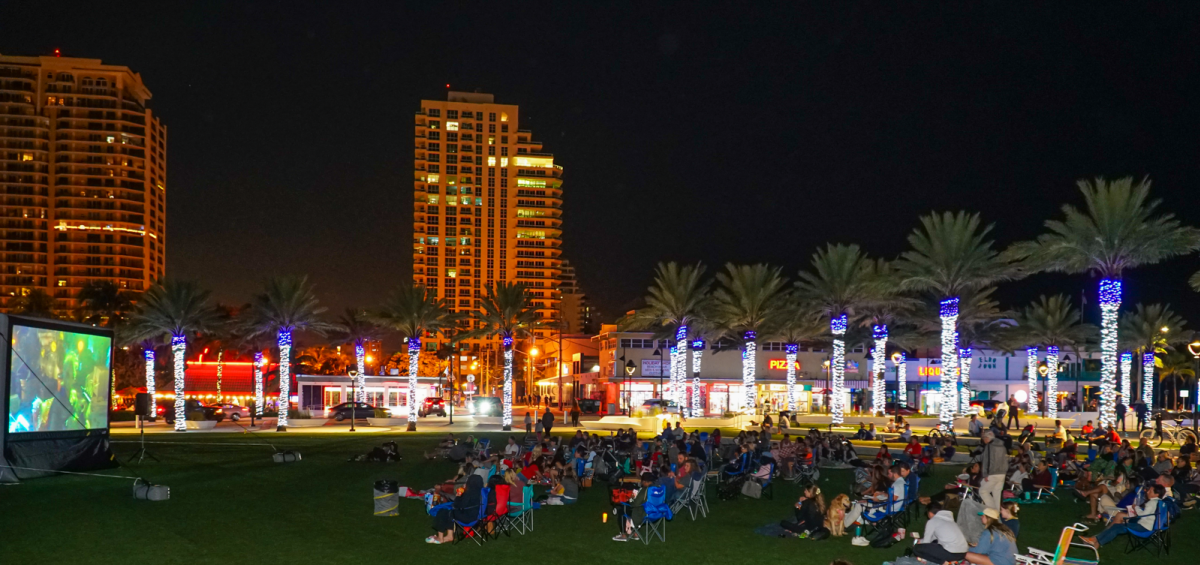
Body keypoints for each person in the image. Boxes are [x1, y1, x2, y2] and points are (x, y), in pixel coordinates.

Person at [1079, 484, 1164, 549]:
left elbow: (1142, 514)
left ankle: (1096, 541)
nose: (1148, 491)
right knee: (1117, 526)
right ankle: (1095, 541)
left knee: (1117, 528)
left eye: (1150, 491)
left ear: (1156, 494)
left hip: (1144, 527)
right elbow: (1149, 514)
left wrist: (1136, 507)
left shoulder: (1151, 503)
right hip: (1148, 526)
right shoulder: (1160, 502)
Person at [428, 474, 483, 544]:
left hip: (468, 518)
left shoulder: (469, 493)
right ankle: (449, 536)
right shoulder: (480, 492)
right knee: (449, 512)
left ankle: (440, 538)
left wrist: (459, 496)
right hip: (476, 516)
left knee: (443, 511)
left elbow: (457, 505)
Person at [613, 472, 655, 542]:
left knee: (623, 509)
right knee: (632, 509)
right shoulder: (658, 488)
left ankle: (623, 535)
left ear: (644, 481)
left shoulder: (644, 490)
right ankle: (635, 533)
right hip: (655, 513)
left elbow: (635, 504)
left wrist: (631, 498)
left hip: (643, 514)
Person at [980, 430, 1009, 510]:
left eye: (983, 438)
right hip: (1002, 473)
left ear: (987, 438)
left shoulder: (989, 446)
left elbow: (988, 461)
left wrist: (986, 474)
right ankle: (997, 514)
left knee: (983, 491)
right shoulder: (1002, 445)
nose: (983, 440)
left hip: (993, 473)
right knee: (997, 494)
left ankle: (993, 510)